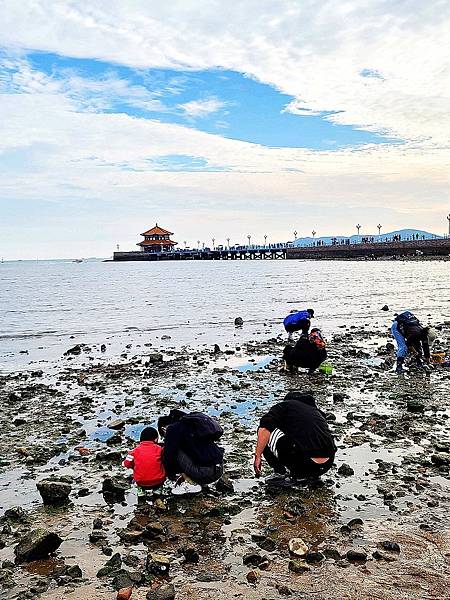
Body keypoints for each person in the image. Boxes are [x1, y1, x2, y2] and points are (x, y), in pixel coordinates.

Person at [254, 391, 336, 486]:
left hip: (302, 464)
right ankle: (313, 477)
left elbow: (264, 428)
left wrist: (258, 456)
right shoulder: (317, 412)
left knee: (264, 429)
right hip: (327, 464)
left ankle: (280, 473)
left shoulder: (285, 405)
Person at [158, 409, 224, 494]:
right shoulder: (193, 423)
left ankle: (189, 483)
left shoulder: (172, 429)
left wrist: (171, 476)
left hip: (205, 474)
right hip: (219, 468)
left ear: (163, 428)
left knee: (171, 451)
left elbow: (169, 457)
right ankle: (200, 483)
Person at [123, 426, 166, 499]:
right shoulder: (159, 449)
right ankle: (157, 490)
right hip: (158, 480)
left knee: (137, 476)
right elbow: (165, 460)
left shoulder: (134, 451)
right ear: (156, 439)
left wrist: (135, 465)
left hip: (141, 481)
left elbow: (126, 464)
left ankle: (141, 491)